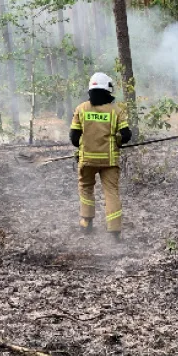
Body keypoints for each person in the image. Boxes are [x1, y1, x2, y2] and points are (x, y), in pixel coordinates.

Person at [70, 73, 132, 239]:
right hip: (109, 161)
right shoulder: (116, 111)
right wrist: (117, 140)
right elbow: (126, 135)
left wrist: (84, 146)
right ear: (108, 90)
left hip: (87, 161)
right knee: (111, 192)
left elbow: (74, 138)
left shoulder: (81, 109)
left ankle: (86, 222)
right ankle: (114, 231)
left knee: (86, 187)